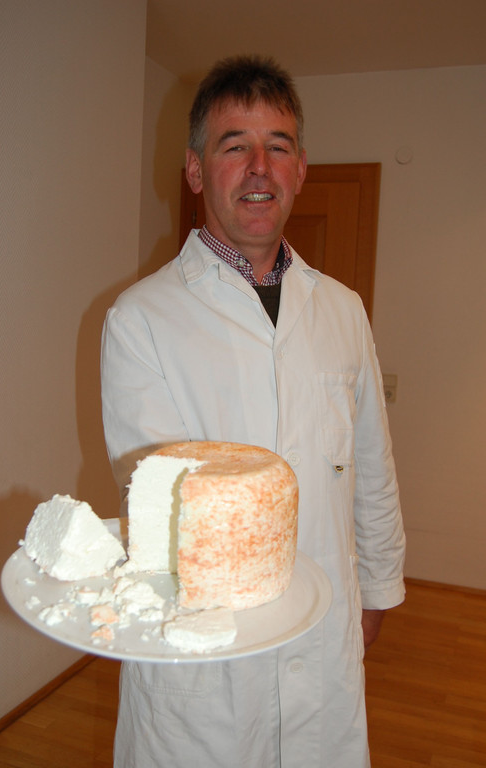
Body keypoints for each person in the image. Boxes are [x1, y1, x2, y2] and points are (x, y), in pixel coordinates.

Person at [101, 55, 405, 768]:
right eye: (234, 145)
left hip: (324, 629)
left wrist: (378, 587)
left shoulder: (342, 310)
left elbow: (370, 463)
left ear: (301, 169)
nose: (260, 167)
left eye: (278, 145)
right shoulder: (140, 318)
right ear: (195, 170)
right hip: (206, 646)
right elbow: (160, 500)